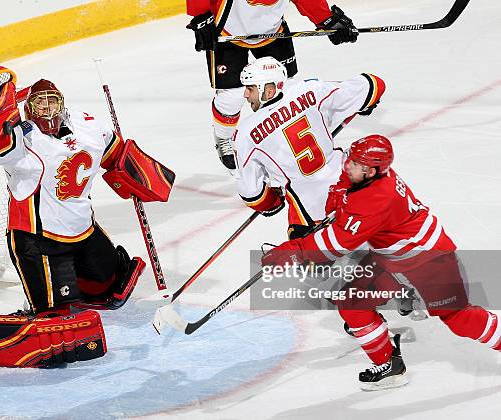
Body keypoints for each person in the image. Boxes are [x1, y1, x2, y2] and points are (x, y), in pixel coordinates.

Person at [0, 66, 174, 371]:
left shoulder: (86, 126)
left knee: (116, 288)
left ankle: (71, 286)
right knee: (58, 325)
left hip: (84, 233)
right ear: (28, 108)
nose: (48, 108)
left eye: (52, 101)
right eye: (40, 103)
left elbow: (113, 154)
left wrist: (136, 173)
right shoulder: (22, 142)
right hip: (39, 242)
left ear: (62, 103)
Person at [262, 135, 501, 390]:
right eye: (352, 159)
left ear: (372, 170)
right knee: (353, 304)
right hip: (397, 259)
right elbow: (347, 190)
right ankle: (391, 366)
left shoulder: (374, 199)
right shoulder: (373, 176)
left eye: (356, 163)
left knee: (458, 317)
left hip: (430, 261)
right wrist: (338, 194)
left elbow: (333, 246)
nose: (347, 165)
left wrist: (292, 251)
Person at [186, 0, 359, 172]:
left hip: (272, 30)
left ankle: (285, 133)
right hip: (227, 31)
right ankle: (224, 137)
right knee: (232, 95)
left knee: (284, 88)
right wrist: (201, 16)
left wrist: (327, 20)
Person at [234, 56, 384, 239]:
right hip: (353, 186)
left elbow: (252, 194)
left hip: (309, 211)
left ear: (269, 90)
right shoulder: (309, 90)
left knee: (313, 263)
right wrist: (366, 102)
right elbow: (373, 85)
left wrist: (274, 201)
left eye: (250, 88)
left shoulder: (245, 133)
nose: (245, 95)